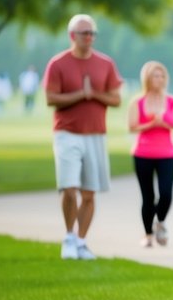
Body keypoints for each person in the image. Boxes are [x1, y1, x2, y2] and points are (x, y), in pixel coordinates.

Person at [43, 14, 123, 260]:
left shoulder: (105, 63)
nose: (88, 37)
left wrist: (94, 95)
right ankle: (68, 237)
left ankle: (81, 241)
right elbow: (51, 98)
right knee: (68, 188)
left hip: (95, 134)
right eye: (84, 33)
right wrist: (80, 94)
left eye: (91, 33)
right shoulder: (58, 64)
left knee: (89, 193)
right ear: (72, 36)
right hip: (67, 133)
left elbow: (116, 99)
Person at [127, 61, 173, 247]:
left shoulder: (172, 101)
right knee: (148, 196)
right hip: (143, 153)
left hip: (166, 154)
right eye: (155, 75)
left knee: (166, 193)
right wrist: (151, 124)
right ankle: (148, 234)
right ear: (147, 78)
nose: (159, 79)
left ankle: (160, 221)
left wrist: (165, 122)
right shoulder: (138, 102)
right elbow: (132, 126)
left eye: (161, 76)